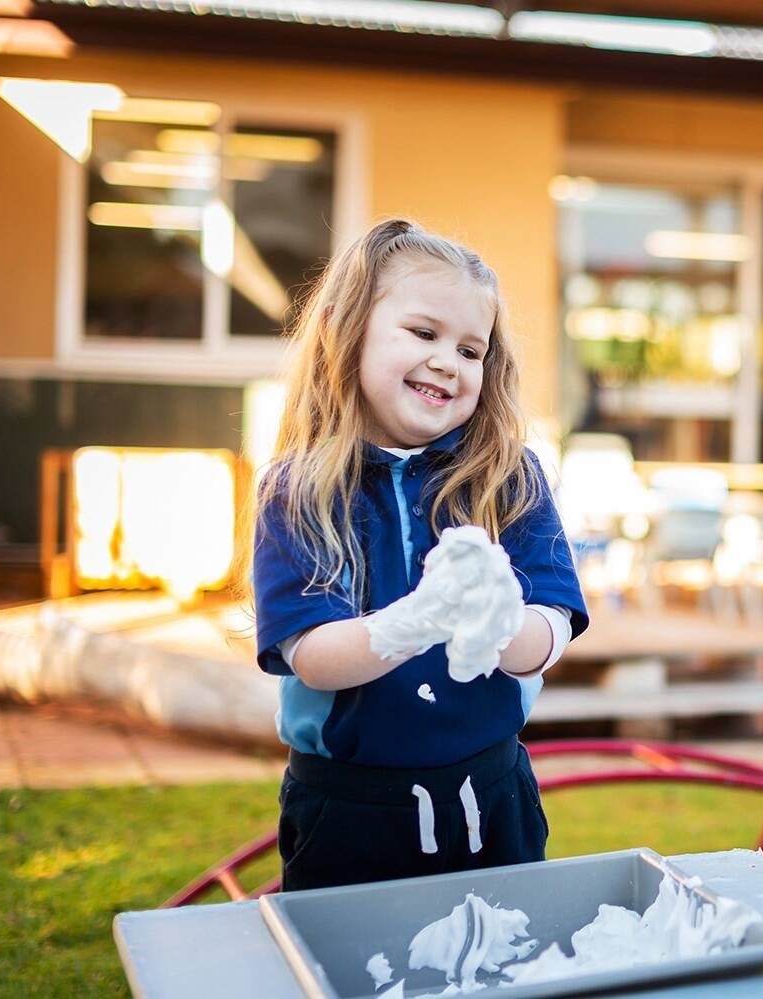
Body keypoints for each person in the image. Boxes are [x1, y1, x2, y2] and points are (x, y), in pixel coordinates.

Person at [250, 219, 588, 891]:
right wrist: (419, 620)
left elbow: (551, 629)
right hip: (347, 809)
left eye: (471, 349)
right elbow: (311, 656)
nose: (448, 361)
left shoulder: (508, 474)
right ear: (348, 333)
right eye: (424, 334)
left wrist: (500, 625)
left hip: (491, 798)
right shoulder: (300, 489)